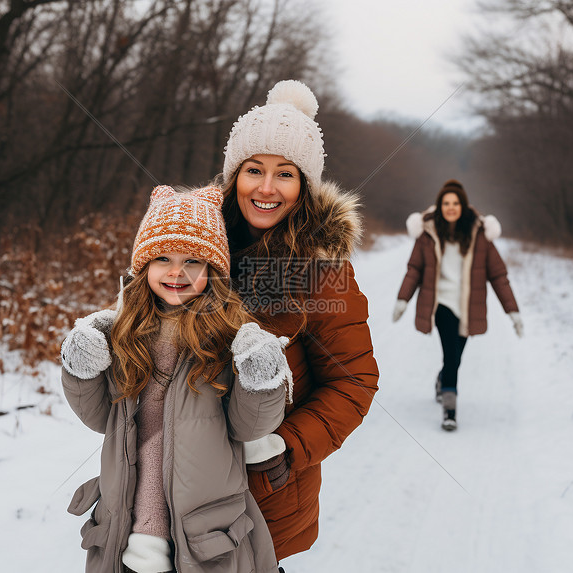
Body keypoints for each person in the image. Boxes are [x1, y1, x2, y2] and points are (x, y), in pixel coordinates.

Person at [60, 185, 292, 573]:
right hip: (126, 523)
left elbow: (247, 426)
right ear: (143, 266)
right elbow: (101, 418)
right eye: (163, 257)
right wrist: (82, 368)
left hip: (204, 533)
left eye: (192, 262)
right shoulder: (123, 334)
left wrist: (261, 377)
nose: (175, 271)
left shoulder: (227, 337)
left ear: (213, 272)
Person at [216, 80, 380, 562]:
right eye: (254, 170)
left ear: (304, 186)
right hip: (178, 489)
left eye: (285, 174)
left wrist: (286, 447)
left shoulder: (321, 271)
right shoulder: (193, 253)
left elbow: (354, 382)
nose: (267, 188)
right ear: (234, 176)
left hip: (263, 495)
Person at [392, 179, 523, 431]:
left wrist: (512, 310)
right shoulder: (428, 233)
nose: (450, 207)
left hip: (467, 306)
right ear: (440, 206)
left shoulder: (479, 235)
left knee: (456, 356)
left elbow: (498, 276)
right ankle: (450, 410)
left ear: (463, 206)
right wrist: (402, 299)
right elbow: (414, 270)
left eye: (455, 203)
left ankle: (442, 380)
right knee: (451, 354)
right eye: (446, 203)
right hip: (440, 304)